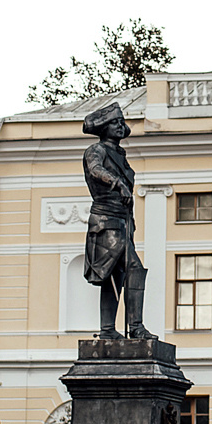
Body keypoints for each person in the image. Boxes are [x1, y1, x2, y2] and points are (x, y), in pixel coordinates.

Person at [80, 102, 149, 338]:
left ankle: (111, 330)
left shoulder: (120, 154)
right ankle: (133, 328)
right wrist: (117, 182)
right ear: (103, 128)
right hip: (105, 220)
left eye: (121, 123)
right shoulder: (96, 150)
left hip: (122, 222)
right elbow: (95, 169)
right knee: (130, 270)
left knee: (119, 275)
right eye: (114, 123)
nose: (120, 126)